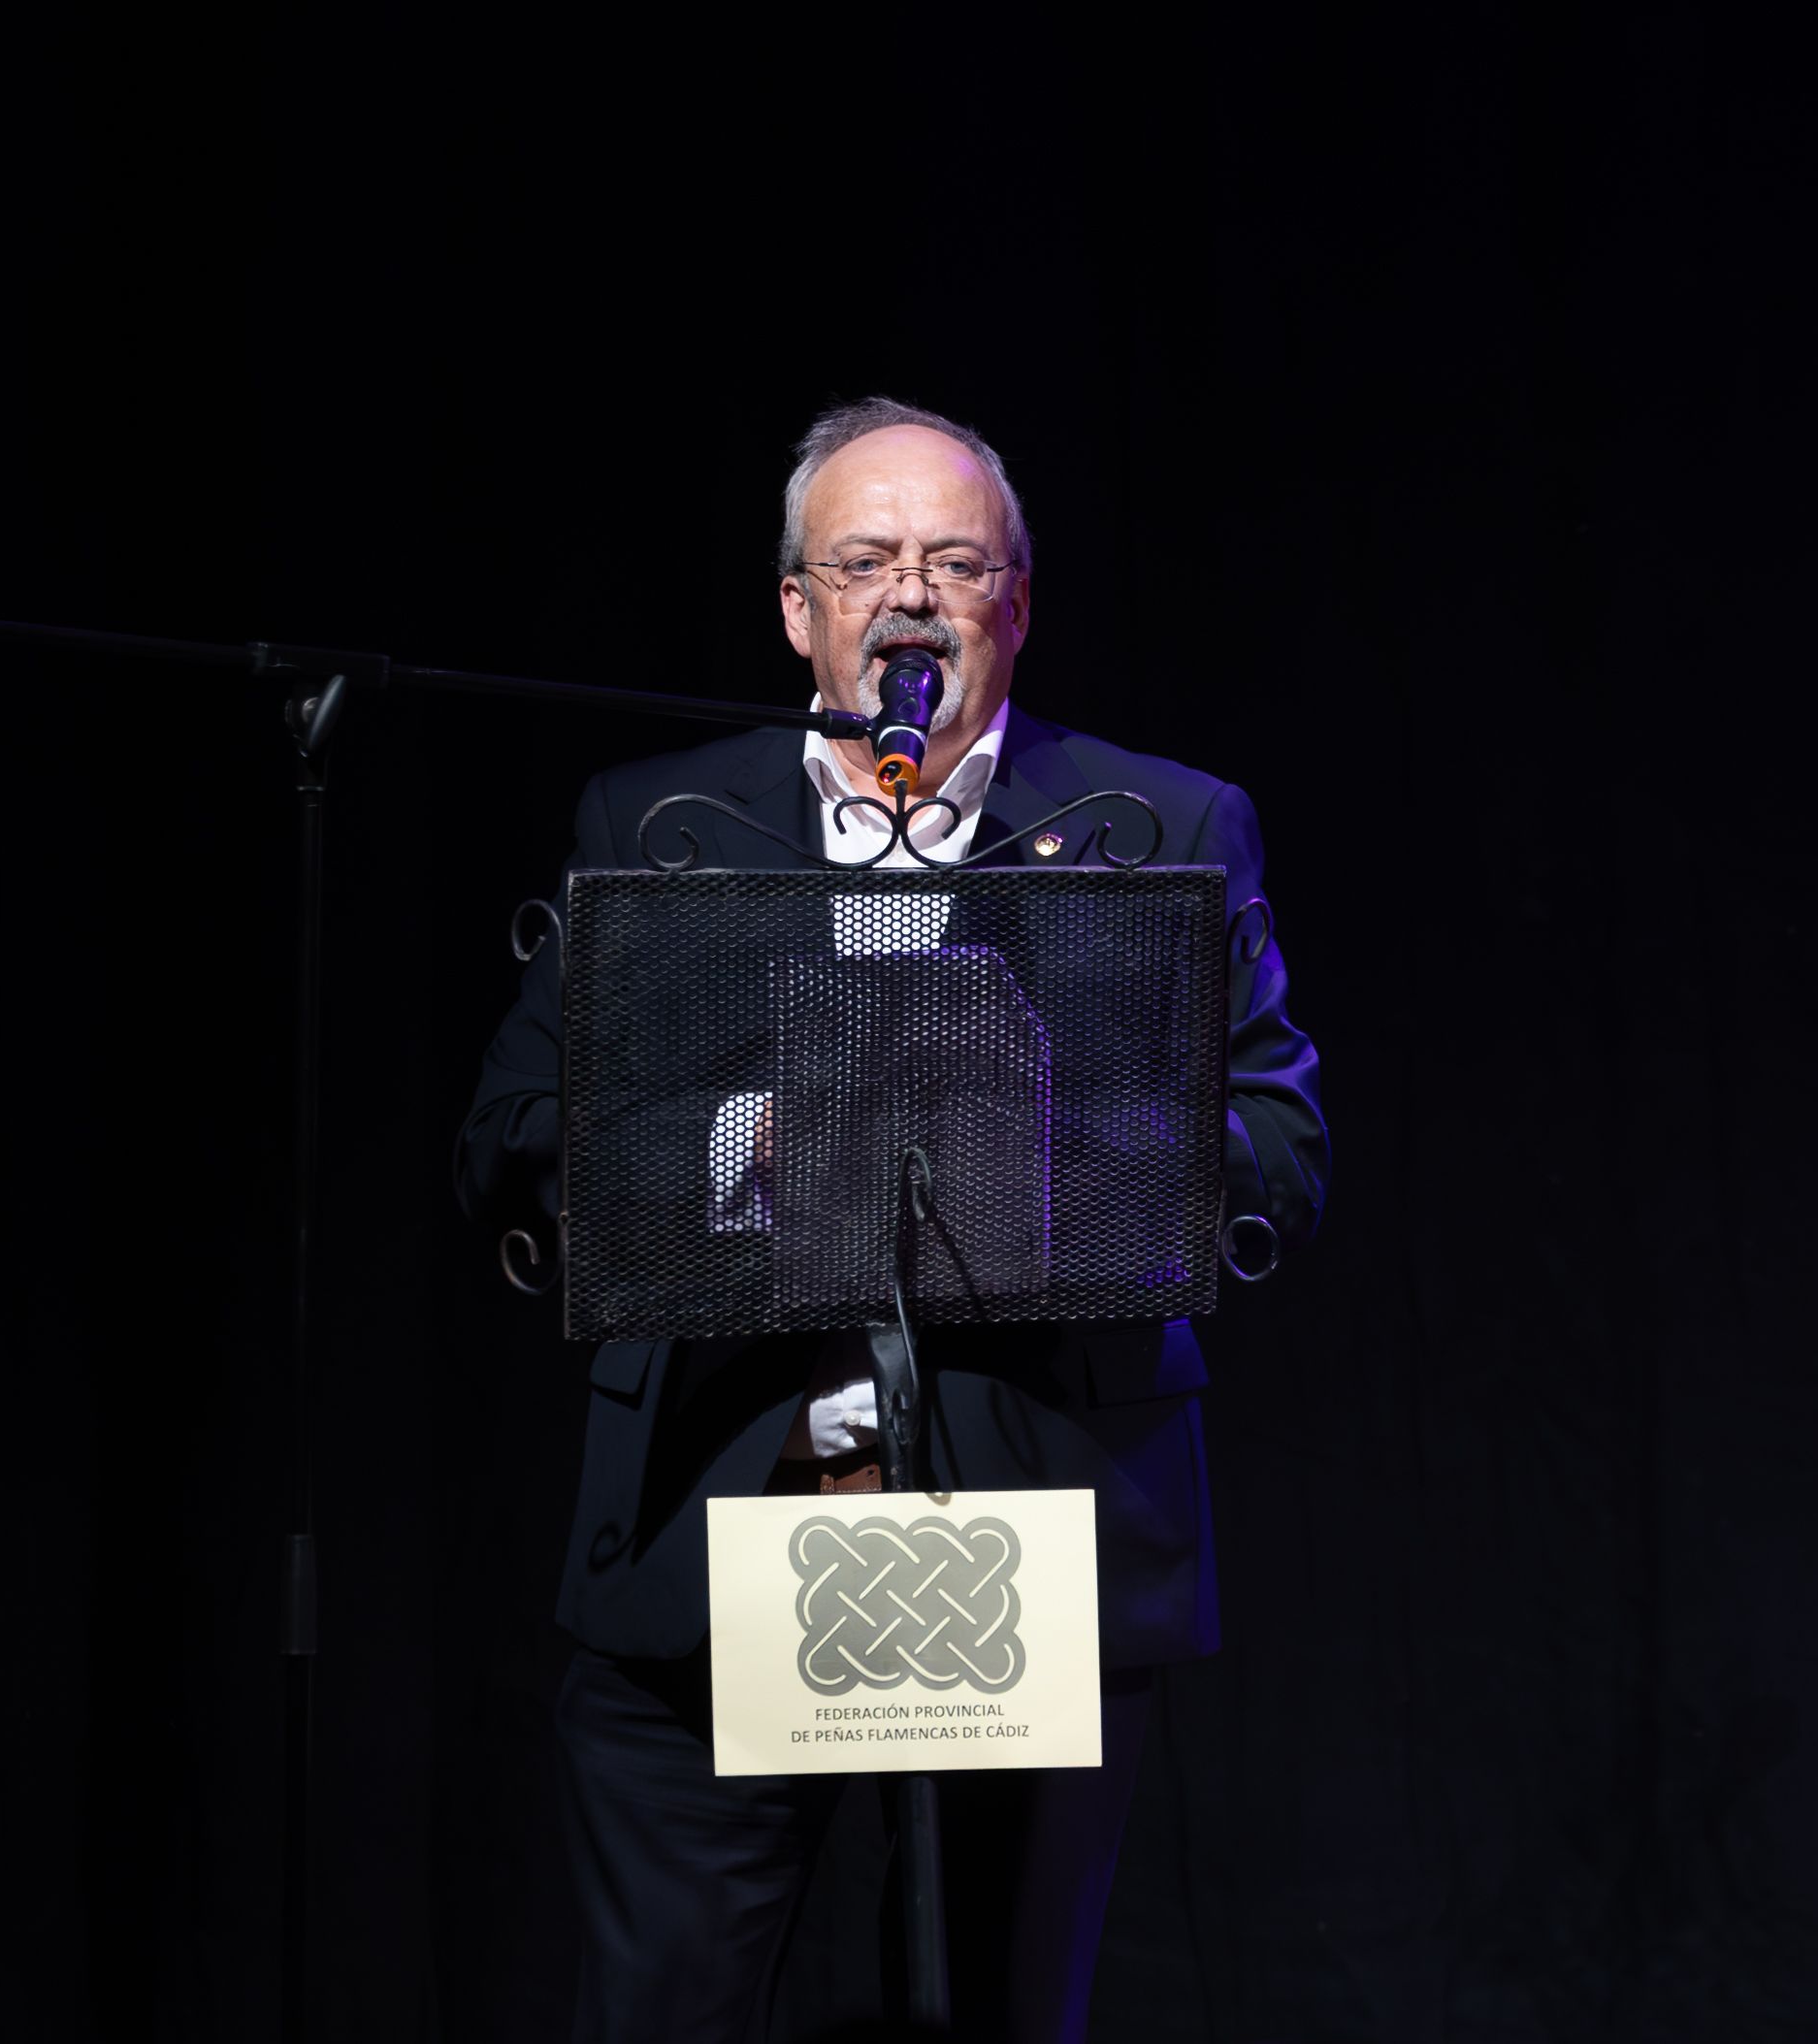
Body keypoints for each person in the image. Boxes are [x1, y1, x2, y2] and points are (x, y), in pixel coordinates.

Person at [458, 397, 1328, 2043]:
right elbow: (512, 1145)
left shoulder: (1160, 824)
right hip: (716, 1520)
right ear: (799, 611)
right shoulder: (657, 826)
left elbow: (1275, 1150)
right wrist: (757, 1140)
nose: (910, 593)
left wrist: (1038, 1149)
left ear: (1017, 602)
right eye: (864, 561)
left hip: (1029, 1534)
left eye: (954, 561)